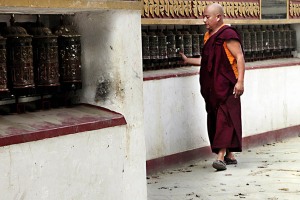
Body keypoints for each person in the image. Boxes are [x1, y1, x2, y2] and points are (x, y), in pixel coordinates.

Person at [180, 3, 245, 171]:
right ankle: (230, 155)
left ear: (218, 17)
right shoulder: (208, 37)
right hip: (213, 89)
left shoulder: (228, 35)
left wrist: (240, 82)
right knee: (216, 119)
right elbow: (208, 61)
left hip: (228, 87)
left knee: (225, 119)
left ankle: (220, 157)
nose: (204, 20)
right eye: (203, 16)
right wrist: (189, 60)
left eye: (207, 17)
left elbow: (239, 57)